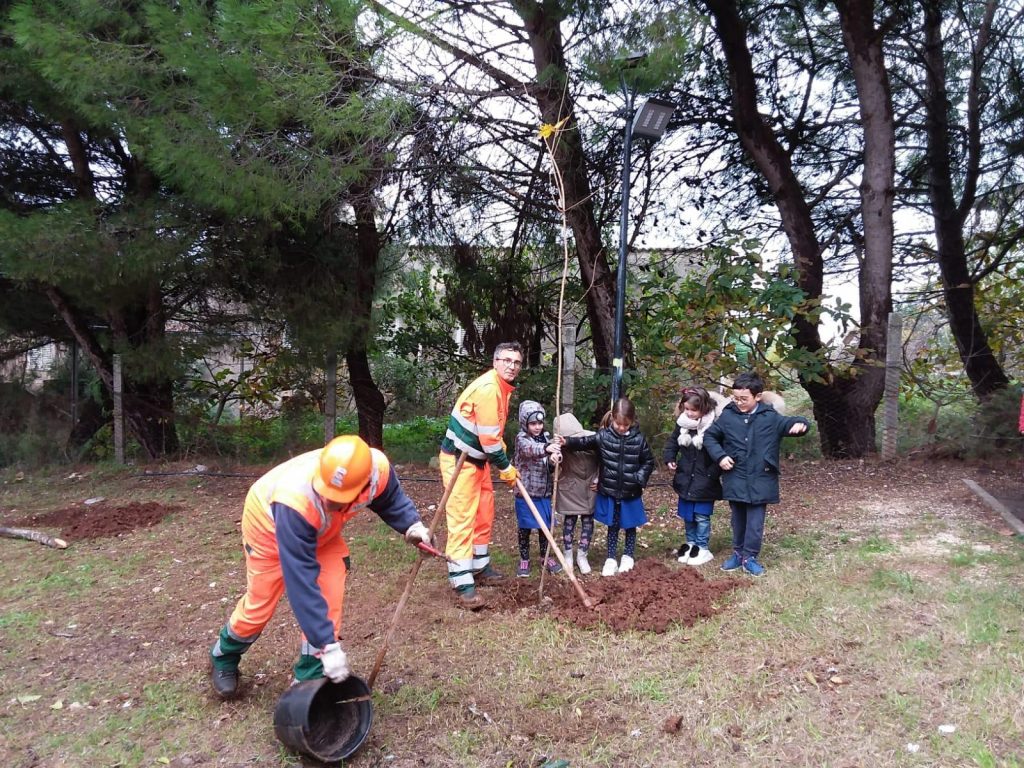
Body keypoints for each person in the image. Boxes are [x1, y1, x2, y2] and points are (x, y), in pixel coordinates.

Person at [208, 435, 432, 699]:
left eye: (338, 499)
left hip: (322, 533)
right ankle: (224, 655)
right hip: (269, 531)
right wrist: (328, 646)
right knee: (259, 606)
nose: (329, 501)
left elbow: (389, 497)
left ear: (364, 484)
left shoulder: (376, 468)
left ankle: (310, 678)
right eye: (327, 494)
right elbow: (301, 582)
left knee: (329, 597)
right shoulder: (295, 499)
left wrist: (412, 525)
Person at [438, 342, 523, 609]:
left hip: (478, 461)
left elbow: (492, 431)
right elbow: (489, 440)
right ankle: (461, 580)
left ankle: (479, 564)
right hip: (459, 461)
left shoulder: (502, 388)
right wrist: (506, 467)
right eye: (506, 360)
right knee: (463, 516)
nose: (511, 366)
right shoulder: (488, 389)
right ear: (495, 361)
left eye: (516, 362)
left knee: (484, 512)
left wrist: (499, 452)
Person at [703, 372, 810, 577]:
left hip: (762, 478)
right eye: (736, 398)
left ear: (758, 396)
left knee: (755, 522)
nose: (739, 402)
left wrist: (802, 424)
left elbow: (791, 422)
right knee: (738, 519)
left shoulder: (770, 417)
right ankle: (737, 553)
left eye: (744, 399)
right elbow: (710, 437)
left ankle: (749, 557)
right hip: (735, 476)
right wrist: (720, 457)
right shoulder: (728, 415)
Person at [558, 397, 655, 577]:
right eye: (618, 424)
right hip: (610, 490)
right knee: (613, 525)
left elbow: (648, 462)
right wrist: (567, 442)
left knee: (630, 526)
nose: (621, 428)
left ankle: (628, 556)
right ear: (613, 420)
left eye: (625, 425)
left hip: (630, 491)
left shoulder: (639, 440)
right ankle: (610, 558)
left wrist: (639, 478)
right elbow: (584, 442)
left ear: (632, 421)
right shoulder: (604, 436)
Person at [663, 386, 725, 567]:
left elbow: (720, 452)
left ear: (704, 408)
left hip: (706, 480)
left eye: (693, 410)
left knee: (701, 516)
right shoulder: (682, 424)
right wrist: (670, 458)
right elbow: (673, 442)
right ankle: (690, 544)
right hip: (685, 478)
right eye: (686, 409)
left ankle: (702, 546)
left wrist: (712, 473)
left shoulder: (715, 427)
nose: (689, 413)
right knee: (688, 515)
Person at [513, 400, 563, 577]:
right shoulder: (522, 439)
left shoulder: (547, 438)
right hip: (525, 492)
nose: (537, 427)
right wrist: (546, 448)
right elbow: (530, 450)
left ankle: (545, 556)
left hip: (544, 493)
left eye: (540, 423)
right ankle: (524, 559)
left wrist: (553, 460)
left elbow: (549, 463)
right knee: (525, 528)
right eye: (533, 423)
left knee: (545, 528)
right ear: (525, 424)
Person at [554, 412, 599, 575]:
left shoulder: (593, 439)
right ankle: (568, 554)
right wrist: (555, 458)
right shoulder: (558, 445)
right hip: (570, 486)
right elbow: (551, 465)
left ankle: (582, 555)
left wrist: (600, 478)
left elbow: (606, 460)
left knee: (588, 520)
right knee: (569, 520)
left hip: (591, 486)